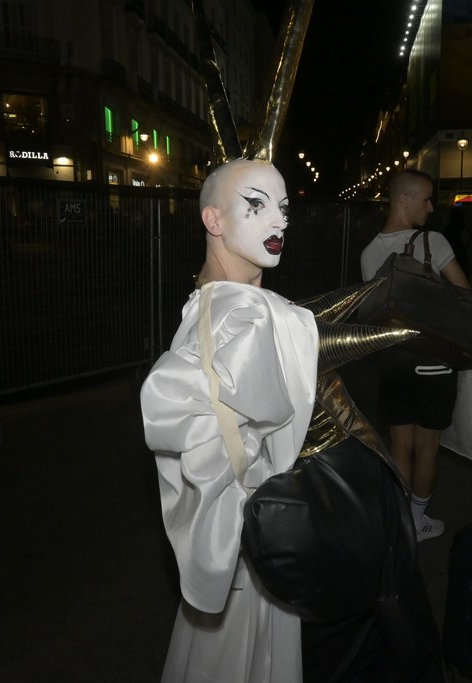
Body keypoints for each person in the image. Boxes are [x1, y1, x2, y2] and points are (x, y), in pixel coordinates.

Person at [141, 159, 315, 682]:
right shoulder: (247, 315)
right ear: (213, 220)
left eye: (283, 209)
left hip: (242, 538)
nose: (278, 221)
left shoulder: (219, 301)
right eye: (256, 205)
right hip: (249, 539)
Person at [360, 169, 472, 541]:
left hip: (394, 359)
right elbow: (465, 295)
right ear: (403, 199)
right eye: (425, 199)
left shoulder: (369, 253)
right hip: (433, 361)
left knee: (399, 443)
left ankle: (399, 521)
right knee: (427, 447)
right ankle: (417, 520)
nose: (430, 208)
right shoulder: (432, 242)